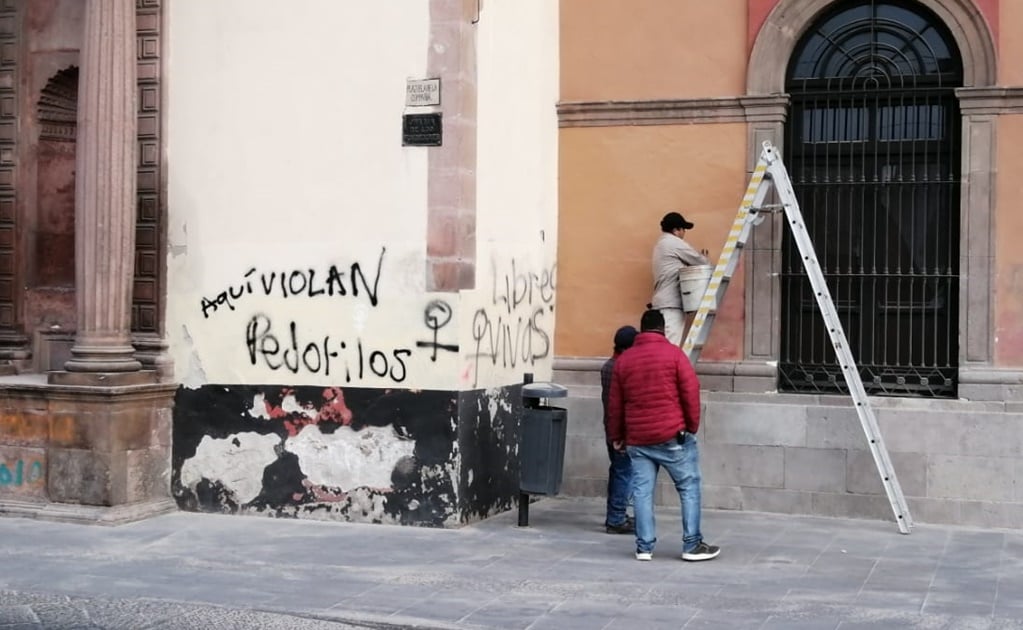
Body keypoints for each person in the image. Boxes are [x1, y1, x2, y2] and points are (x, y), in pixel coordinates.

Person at [607, 309, 720, 562]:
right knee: (689, 487)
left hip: (637, 439)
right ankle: (692, 545)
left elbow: (615, 404)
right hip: (672, 436)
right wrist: (691, 426)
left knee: (642, 493)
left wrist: (617, 435)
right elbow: (691, 391)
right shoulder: (675, 355)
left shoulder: (624, 361)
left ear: (642, 329)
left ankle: (644, 547)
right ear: (662, 328)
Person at [650, 211, 710, 346]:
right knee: (670, 347)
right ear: (676, 230)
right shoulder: (674, 242)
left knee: (662, 346)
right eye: (683, 229)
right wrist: (705, 258)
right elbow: (701, 262)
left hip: (662, 304)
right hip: (671, 306)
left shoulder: (661, 244)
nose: (684, 233)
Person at [600, 325, 638, 534]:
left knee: (618, 471)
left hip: (611, 427)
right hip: (621, 431)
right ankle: (616, 518)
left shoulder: (608, 365)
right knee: (623, 473)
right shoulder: (622, 368)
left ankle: (616, 515)